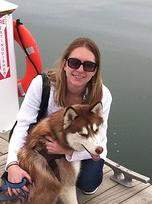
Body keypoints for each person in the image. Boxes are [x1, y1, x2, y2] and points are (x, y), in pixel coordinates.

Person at [6, 37, 112, 195]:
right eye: (74, 62)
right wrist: (12, 165)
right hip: (44, 140)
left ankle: (58, 170)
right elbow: (22, 125)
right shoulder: (42, 85)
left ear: (95, 70)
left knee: (89, 182)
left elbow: (100, 139)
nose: (81, 70)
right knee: (20, 176)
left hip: (79, 144)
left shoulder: (102, 96)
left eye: (88, 65)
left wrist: (67, 151)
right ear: (64, 63)